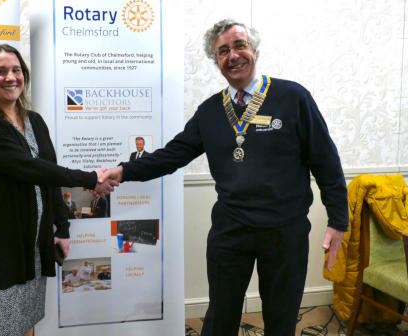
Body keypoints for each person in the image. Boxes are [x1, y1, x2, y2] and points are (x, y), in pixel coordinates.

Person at [99, 19, 349, 336]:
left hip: (285, 230)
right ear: (217, 60)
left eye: (239, 46)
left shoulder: (293, 98)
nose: (232, 56)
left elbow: (326, 161)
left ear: (254, 50)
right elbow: (173, 154)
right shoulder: (210, 111)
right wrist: (123, 170)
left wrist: (339, 218)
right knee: (220, 316)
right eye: (223, 51)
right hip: (231, 229)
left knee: (282, 317)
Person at [0, 44, 116, 336]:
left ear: (24, 75)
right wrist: (91, 177)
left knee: (27, 319)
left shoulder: (35, 121)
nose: (10, 77)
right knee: (0, 326)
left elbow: (49, 175)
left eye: (16, 70)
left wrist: (62, 227)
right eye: (0, 71)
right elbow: (27, 167)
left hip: (34, 243)